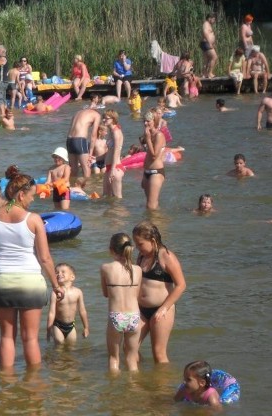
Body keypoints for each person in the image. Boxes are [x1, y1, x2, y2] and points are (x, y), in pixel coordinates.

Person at [0, 168, 63, 370]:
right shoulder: (33, 219)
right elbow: (44, 258)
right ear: (21, 194)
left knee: (7, 337)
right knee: (30, 339)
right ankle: (33, 387)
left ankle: (6, 386)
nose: (33, 200)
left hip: (1, 281)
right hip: (30, 283)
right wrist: (55, 285)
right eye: (32, 195)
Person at [133, 220, 186, 364]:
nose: (137, 248)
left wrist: (163, 308)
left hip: (162, 310)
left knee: (158, 353)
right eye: (136, 244)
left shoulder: (166, 256)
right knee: (129, 348)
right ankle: (141, 380)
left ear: (152, 240)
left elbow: (181, 285)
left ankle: (162, 386)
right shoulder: (141, 256)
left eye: (140, 244)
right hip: (141, 311)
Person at [100, 233, 142, 371]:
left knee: (113, 358)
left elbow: (106, 294)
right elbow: (136, 295)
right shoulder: (138, 270)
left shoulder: (106, 268)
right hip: (134, 316)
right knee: (131, 358)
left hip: (117, 316)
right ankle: (134, 388)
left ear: (111, 249)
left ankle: (113, 390)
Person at [46, 263, 88, 345]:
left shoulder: (78, 292)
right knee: (59, 343)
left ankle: (67, 358)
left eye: (63, 272)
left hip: (71, 326)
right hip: (58, 325)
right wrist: (48, 329)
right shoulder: (55, 293)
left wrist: (86, 327)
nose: (59, 274)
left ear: (72, 277)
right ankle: (58, 358)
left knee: (72, 346)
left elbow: (82, 311)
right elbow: (51, 313)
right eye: (57, 272)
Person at [66, 106, 101, 178]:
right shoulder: (97, 115)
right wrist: (90, 153)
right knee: (87, 168)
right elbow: (93, 135)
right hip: (80, 140)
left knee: (73, 169)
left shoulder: (78, 112)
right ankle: (87, 188)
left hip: (69, 140)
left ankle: (72, 187)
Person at [141, 111, 166, 210]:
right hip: (147, 171)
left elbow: (154, 155)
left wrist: (147, 139)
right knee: (150, 205)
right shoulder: (148, 134)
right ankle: (154, 222)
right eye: (144, 121)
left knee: (151, 205)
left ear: (154, 121)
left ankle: (157, 224)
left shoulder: (158, 135)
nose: (145, 124)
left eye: (148, 121)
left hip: (156, 172)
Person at [102, 110, 125, 199]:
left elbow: (116, 152)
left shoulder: (116, 132)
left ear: (113, 119)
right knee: (106, 197)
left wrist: (112, 170)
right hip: (109, 167)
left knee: (117, 199)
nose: (104, 120)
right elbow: (110, 151)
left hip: (115, 168)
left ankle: (120, 213)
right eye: (103, 118)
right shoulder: (111, 131)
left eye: (106, 118)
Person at [200, 13, 217, 78]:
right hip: (206, 43)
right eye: (213, 19)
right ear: (209, 18)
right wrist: (210, 42)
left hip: (206, 43)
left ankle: (204, 74)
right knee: (214, 57)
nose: (214, 21)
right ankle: (209, 73)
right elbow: (205, 33)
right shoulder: (206, 24)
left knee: (207, 59)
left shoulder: (208, 24)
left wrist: (213, 43)